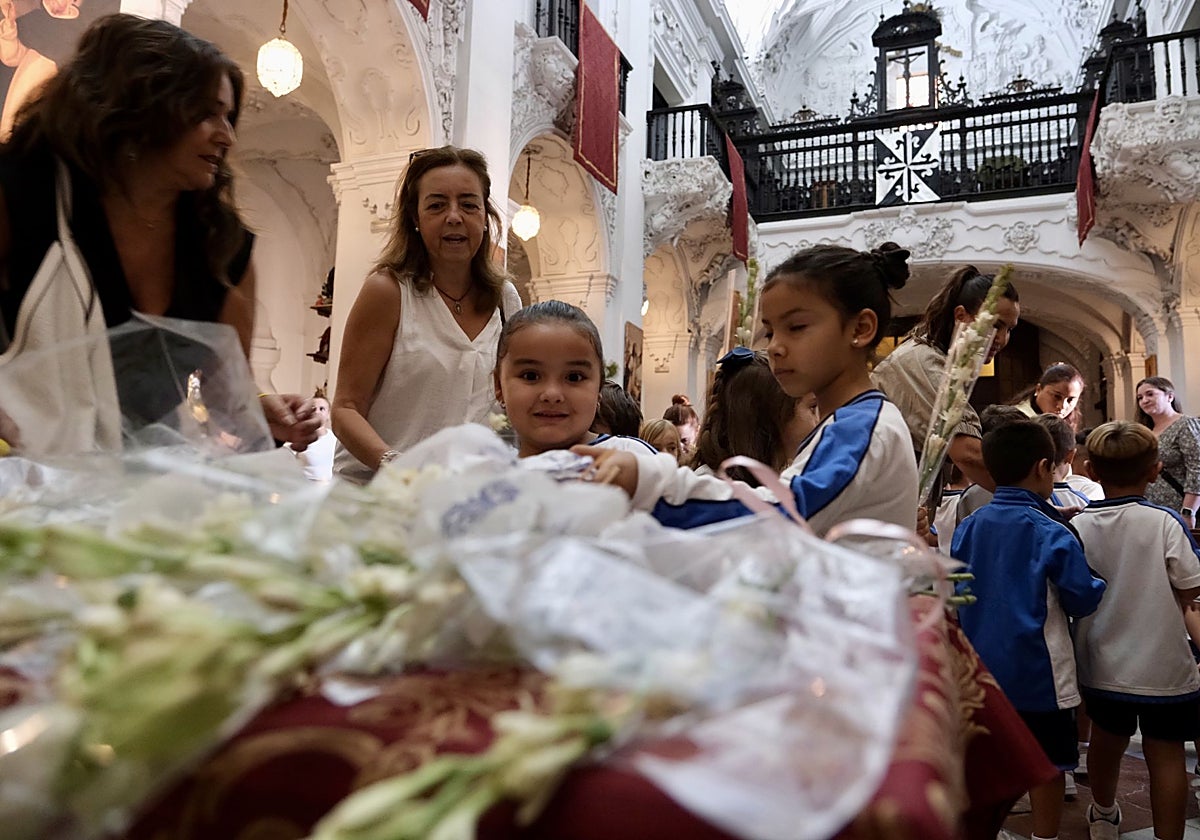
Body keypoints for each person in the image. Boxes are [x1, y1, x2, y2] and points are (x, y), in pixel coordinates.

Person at [0, 13, 319, 452]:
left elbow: (225, 397)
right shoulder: (23, 192)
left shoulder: (222, 246)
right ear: (139, 106)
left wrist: (263, 414)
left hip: (130, 497)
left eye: (228, 118)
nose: (226, 136)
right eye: (207, 114)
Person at [578, 243, 919, 538]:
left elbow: (774, 516)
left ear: (860, 328)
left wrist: (650, 482)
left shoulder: (859, 428)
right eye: (770, 332)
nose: (776, 347)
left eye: (796, 327)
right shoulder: (852, 423)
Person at [952, 420, 1106, 840]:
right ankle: (1044, 837)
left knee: (988, 765)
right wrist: (1100, 581)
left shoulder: (969, 526)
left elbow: (956, 591)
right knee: (1047, 767)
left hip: (980, 672)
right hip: (1041, 677)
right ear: (1045, 467)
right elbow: (1081, 597)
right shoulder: (1051, 531)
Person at [332, 145, 522, 483]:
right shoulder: (388, 291)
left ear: (485, 215)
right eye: (436, 205)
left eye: (468, 204)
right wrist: (397, 466)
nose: (454, 216)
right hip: (378, 494)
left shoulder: (505, 300)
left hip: (462, 501)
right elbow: (346, 408)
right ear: (415, 219)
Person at [1072, 422, 1200, 840]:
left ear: (1090, 470)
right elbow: (1191, 589)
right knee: (1166, 755)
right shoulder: (1164, 522)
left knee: (1106, 744)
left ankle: (1104, 814)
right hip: (1164, 665)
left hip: (1101, 661)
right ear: (1155, 470)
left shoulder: (1077, 526)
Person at [871, 264, 1021, 492]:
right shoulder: (922, 361)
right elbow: (968, 453)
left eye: (1009, 330)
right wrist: (1034, 498)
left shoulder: (938, 360)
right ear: (960, 315)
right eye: (995, 325)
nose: (1001, 338)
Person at [492, 300, 655, 459]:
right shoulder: (489, 474)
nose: (552, 394)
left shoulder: (631, 459)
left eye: (574, 377)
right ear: (499, 385)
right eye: (531, 376)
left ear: (599, 388)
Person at [689, 346, 801, 486]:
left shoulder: (776, 475)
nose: (818, 420)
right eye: (812, 407)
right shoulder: (711, 488)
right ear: (770, 418)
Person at [1136, 376, 1200, 524]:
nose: (1144, 400)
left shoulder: (1185, 425)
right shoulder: (1145, 431)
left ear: (1169, 396)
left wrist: (1189, 511)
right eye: (1140, 397)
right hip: (1151, 509)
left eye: (1150, 394)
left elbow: (1197, 469)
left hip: (1178, 510)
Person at [1013, 362, 1086, 430]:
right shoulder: (1015, 422)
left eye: (1070, 400)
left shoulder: (1067, 423)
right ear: (1038, 389)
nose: (1062, 406)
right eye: (1057, 396)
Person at [288, 393, 336, 482]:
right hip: (305, 486)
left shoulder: (335, 439)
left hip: (328, 488)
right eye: (313, 409)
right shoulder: (301, 438)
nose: (317, 412)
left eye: (322, 409)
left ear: (329, 414)